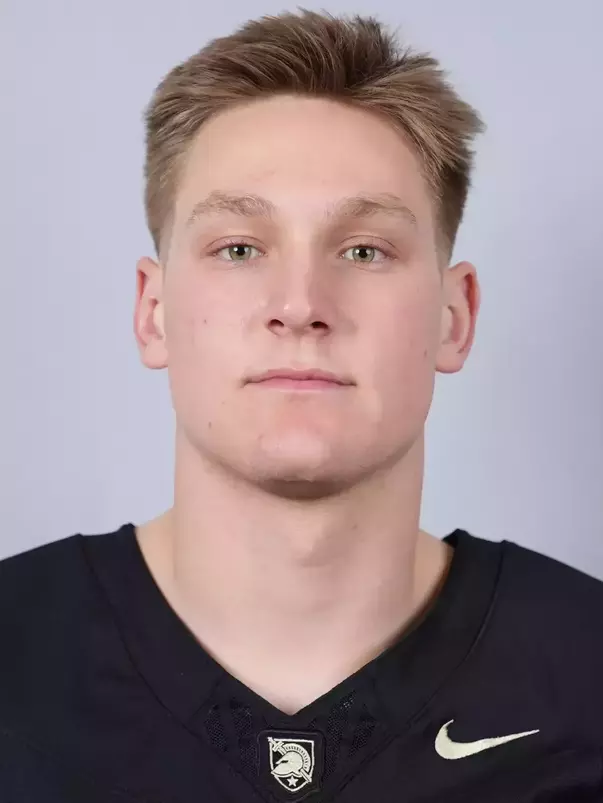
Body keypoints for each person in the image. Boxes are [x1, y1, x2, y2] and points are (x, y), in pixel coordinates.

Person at [1, 8, 602, 802]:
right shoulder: (16, 656)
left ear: (453, 319)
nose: (299, 304)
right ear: (153, 311)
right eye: (239, 248)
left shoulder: (584, 668)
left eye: (364, 249)